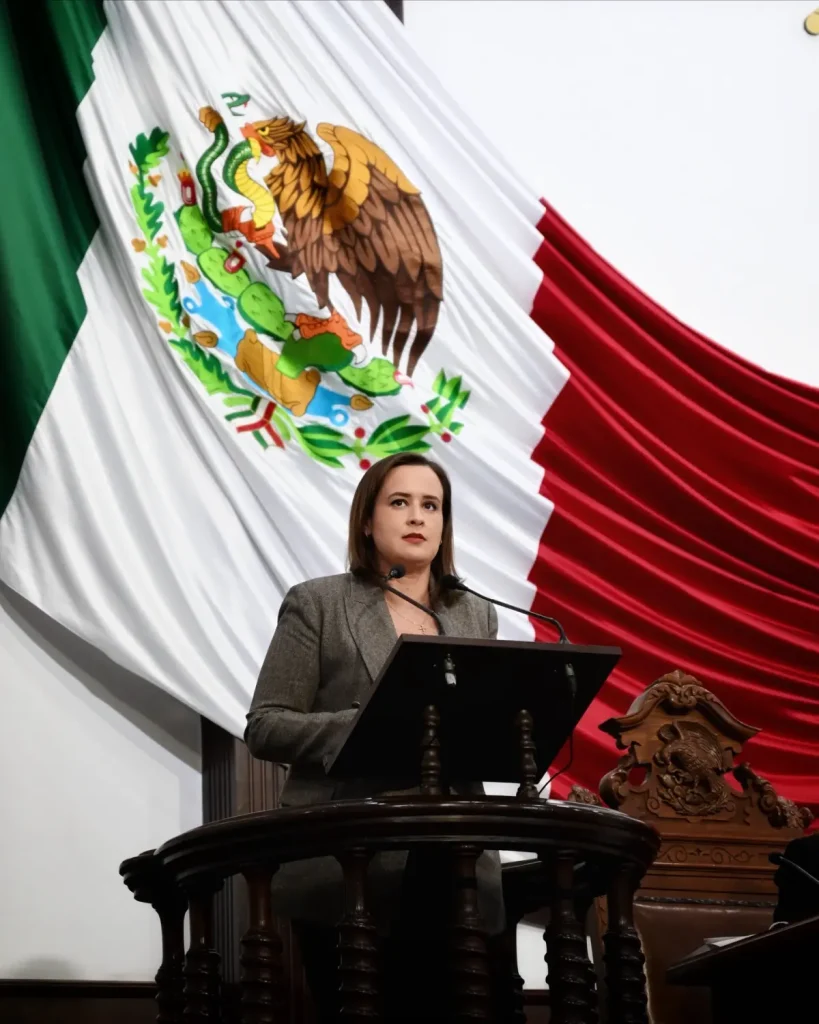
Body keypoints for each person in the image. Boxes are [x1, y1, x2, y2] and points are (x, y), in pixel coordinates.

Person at [245, 452, 503, 1020]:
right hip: (351, 861)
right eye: (400, 502)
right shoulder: (319, 603)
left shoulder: (476, 615)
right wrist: (367, 724)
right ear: (367, 520)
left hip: (457, 864)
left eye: (431, 505)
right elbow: (265, 725)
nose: (417, 517)